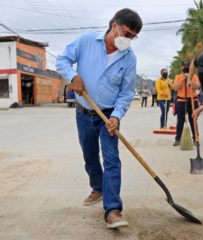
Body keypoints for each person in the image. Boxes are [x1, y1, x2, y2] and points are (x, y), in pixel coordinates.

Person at [56, 8, 142, 228]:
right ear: (114, 25)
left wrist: (117, 116)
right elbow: (62, 60)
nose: (128, 39)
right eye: (127, 33)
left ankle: (113, 210)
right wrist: (74, 76)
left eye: (133, 37)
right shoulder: (87, 41)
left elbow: (126, 92)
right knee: (90, 156)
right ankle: (98, 188)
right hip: (84, 112)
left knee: (112, 159)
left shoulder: (129, 58)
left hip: (108, 117)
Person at [173, 61, 200, 146]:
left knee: (193, 120)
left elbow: (198, 86)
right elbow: (175, 88)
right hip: (181, 101)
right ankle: (178, 138)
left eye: (188, 66)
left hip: (192, 100)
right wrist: (183, 79)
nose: (186, 68)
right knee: (180, 120)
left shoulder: (194, 76)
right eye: (184, 66)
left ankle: (196, 139)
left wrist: (189, 79)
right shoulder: (178, 76)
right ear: (182, 67)